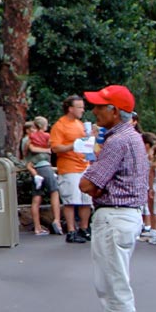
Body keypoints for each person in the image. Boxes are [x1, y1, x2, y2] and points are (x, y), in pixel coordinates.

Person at [80, 85, 151, 312]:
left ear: (115, 111)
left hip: (114, 218)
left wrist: (90, 177)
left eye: (100, 106)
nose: (94, 110)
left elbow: (88, 184)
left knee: (113, 288)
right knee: (112, 284)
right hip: (125, 217)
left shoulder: (117, 142)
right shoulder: (130, 137)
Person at [50, 95, 92, 243]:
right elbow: (55, 147)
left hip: (84, 164)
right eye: (79, 107)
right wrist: (72, 145)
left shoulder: (80, 124)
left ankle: (84, 228)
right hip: (69, 166)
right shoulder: (60, 125)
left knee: (86, 198)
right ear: (70, 108)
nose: (82, 109)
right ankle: (71, 230)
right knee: (71, 199)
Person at [23, 116, 61, 235]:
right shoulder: (46, 136)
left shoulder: (28, 138)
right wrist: (47, 150)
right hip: (44, 166)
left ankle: (37, 227)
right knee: (54, 192)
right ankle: (57, 220)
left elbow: (27, 150)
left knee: (36, 198)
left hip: (34, 168)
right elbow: (52, 148)